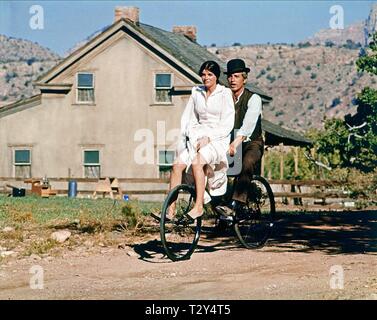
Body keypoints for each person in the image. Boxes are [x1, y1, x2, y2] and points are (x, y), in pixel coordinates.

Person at [153, 60, 235, 223]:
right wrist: (190, 136)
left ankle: (199, 207)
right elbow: (188, 119)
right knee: (177, 166)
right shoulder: (196, 92)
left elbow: (227, 123)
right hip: (197, 137)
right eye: (203, 74)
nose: (206, 78)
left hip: (217, 139)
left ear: (217, 76)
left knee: (198, 163)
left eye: (210, 74)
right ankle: (171, 210)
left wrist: (209, 137)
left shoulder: (224, 93)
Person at [217, 58, 264, 216]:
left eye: (236, 76)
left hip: (251, 143)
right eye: (230, 76)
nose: (232, 80)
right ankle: (218, 209)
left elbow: (248, 126)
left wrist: (236, 143)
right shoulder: (224, 99)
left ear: (244, 78)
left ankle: (236, 203)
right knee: (215, 168)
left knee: (247, 163)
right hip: (230, 142)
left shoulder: (253, 99)